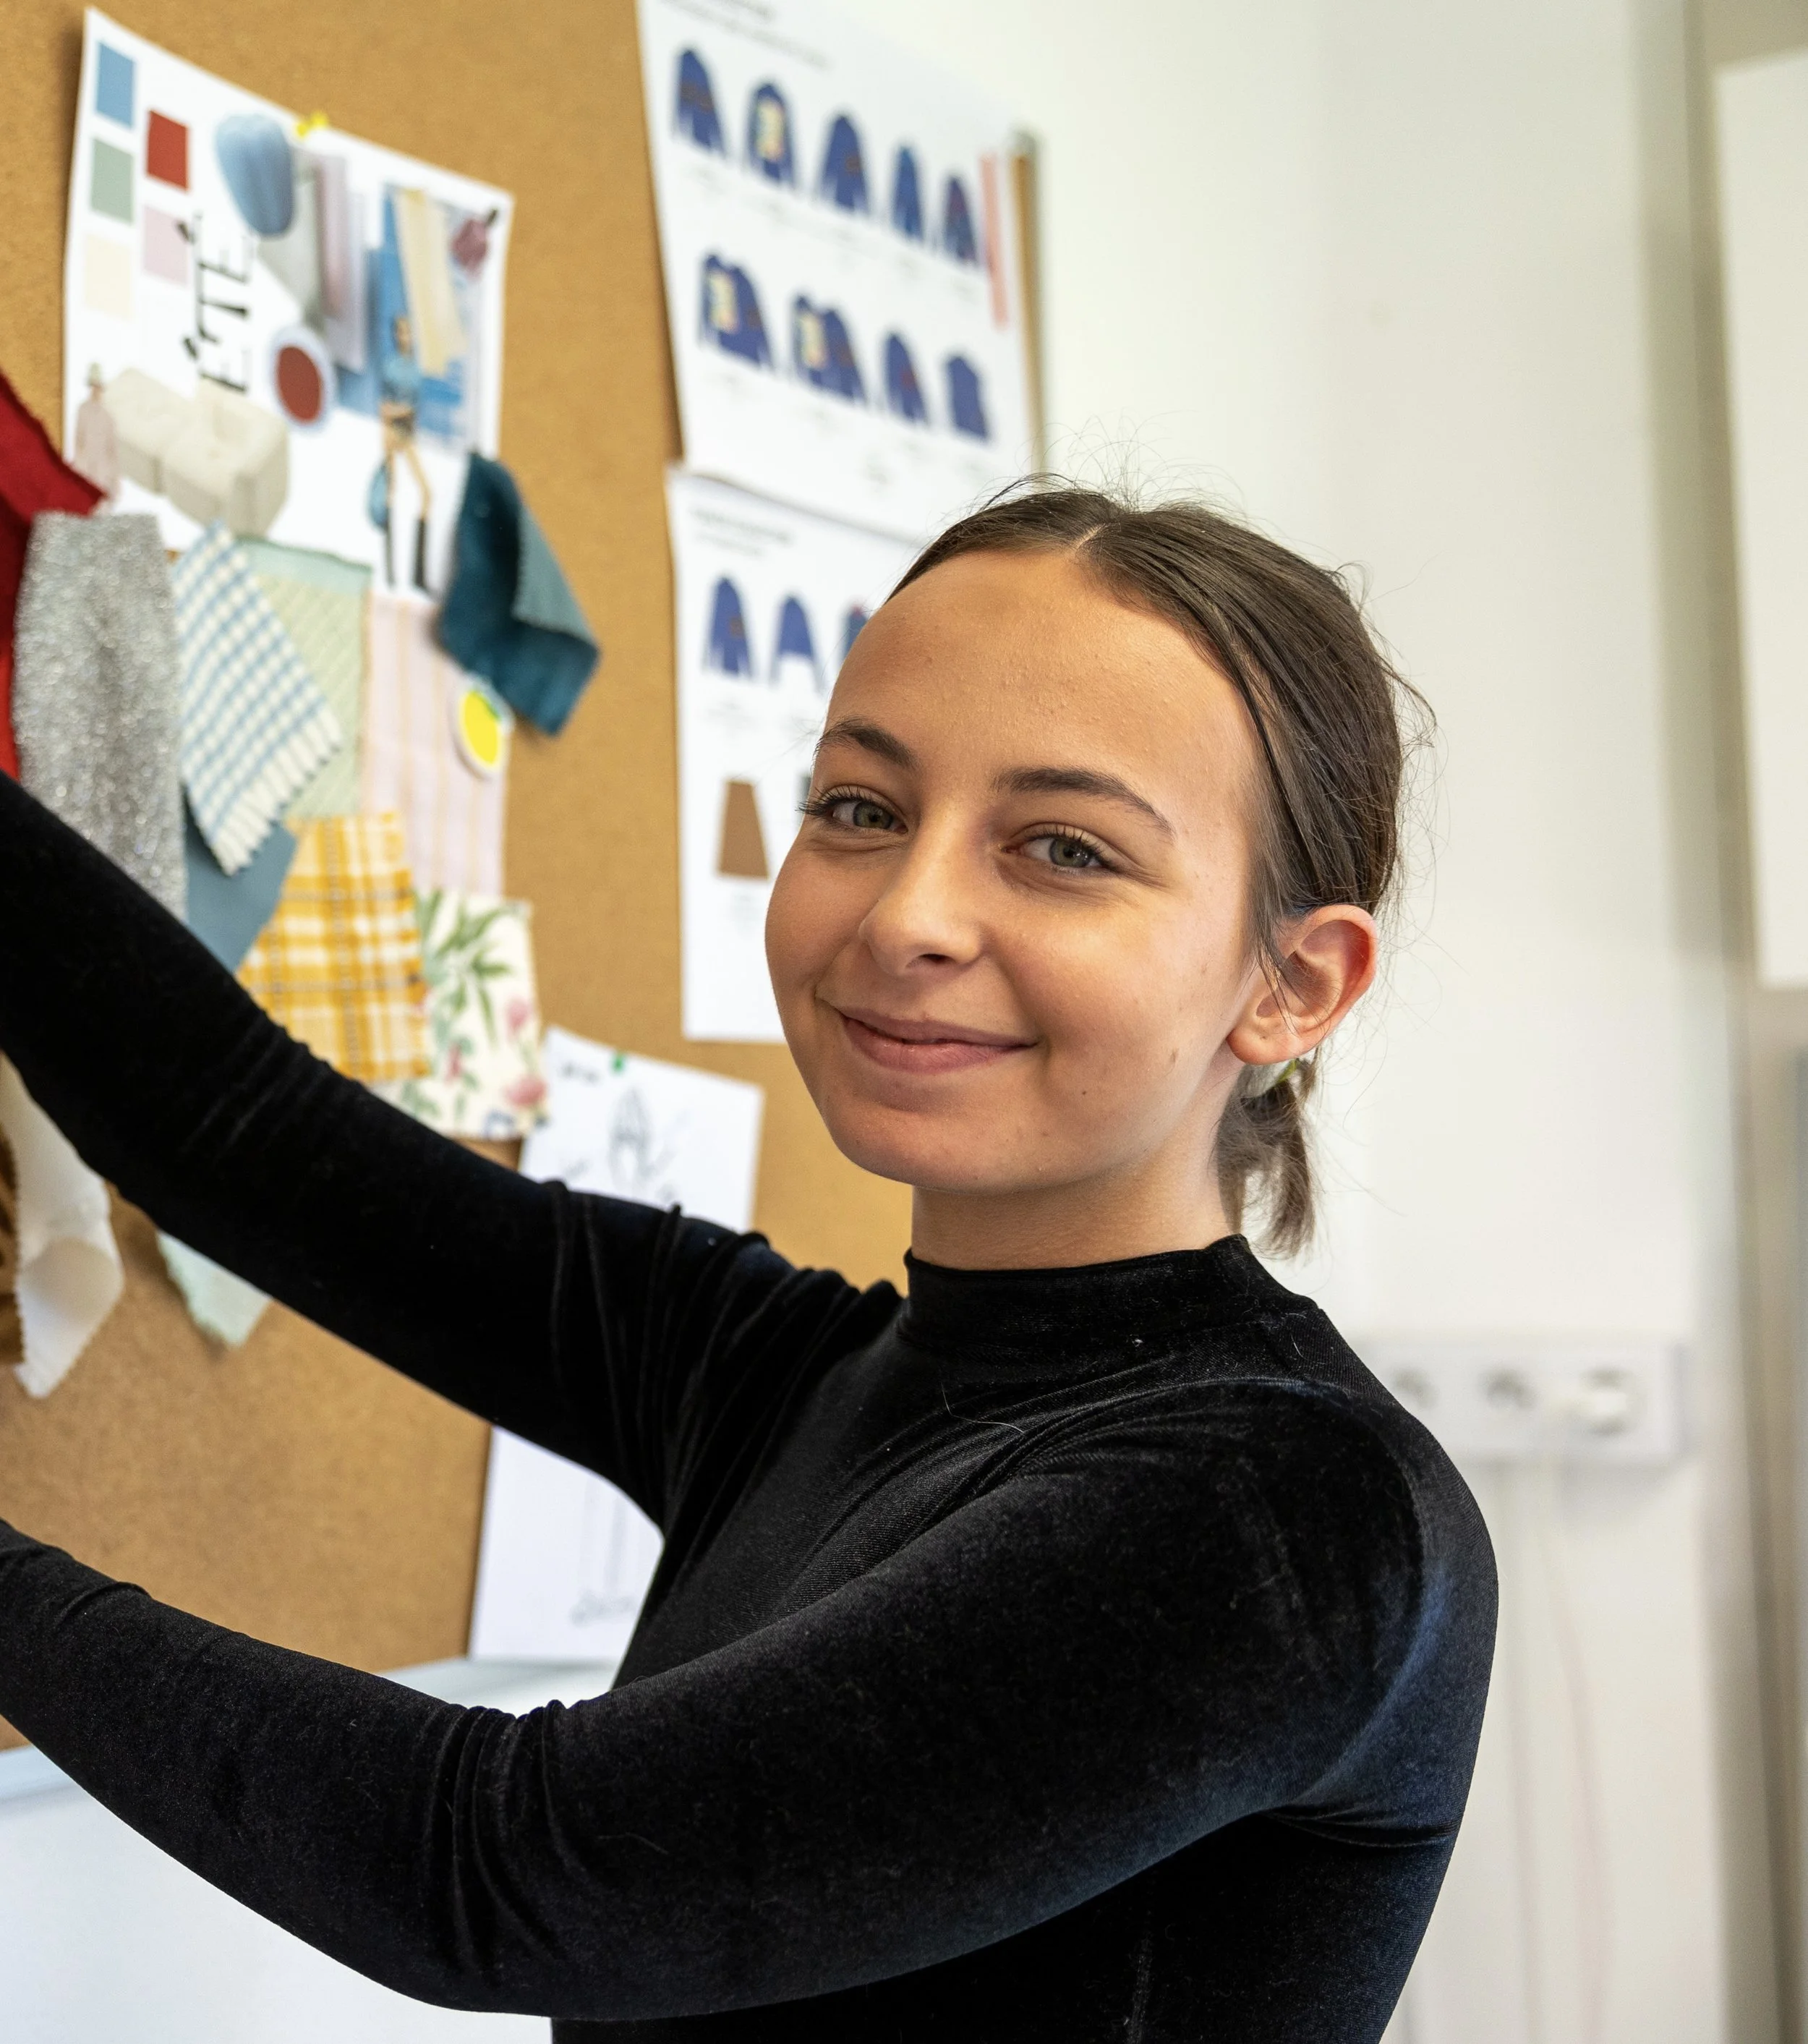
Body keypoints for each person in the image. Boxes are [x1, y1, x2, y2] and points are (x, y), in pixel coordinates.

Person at [0, 485, 1495, 2042]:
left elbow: (495, 1875)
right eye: (860, 808)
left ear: (1292, 984)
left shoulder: (1286, 1513)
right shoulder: (788, 1375)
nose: (911, 913)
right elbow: (234, 1133)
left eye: (1061, 848)